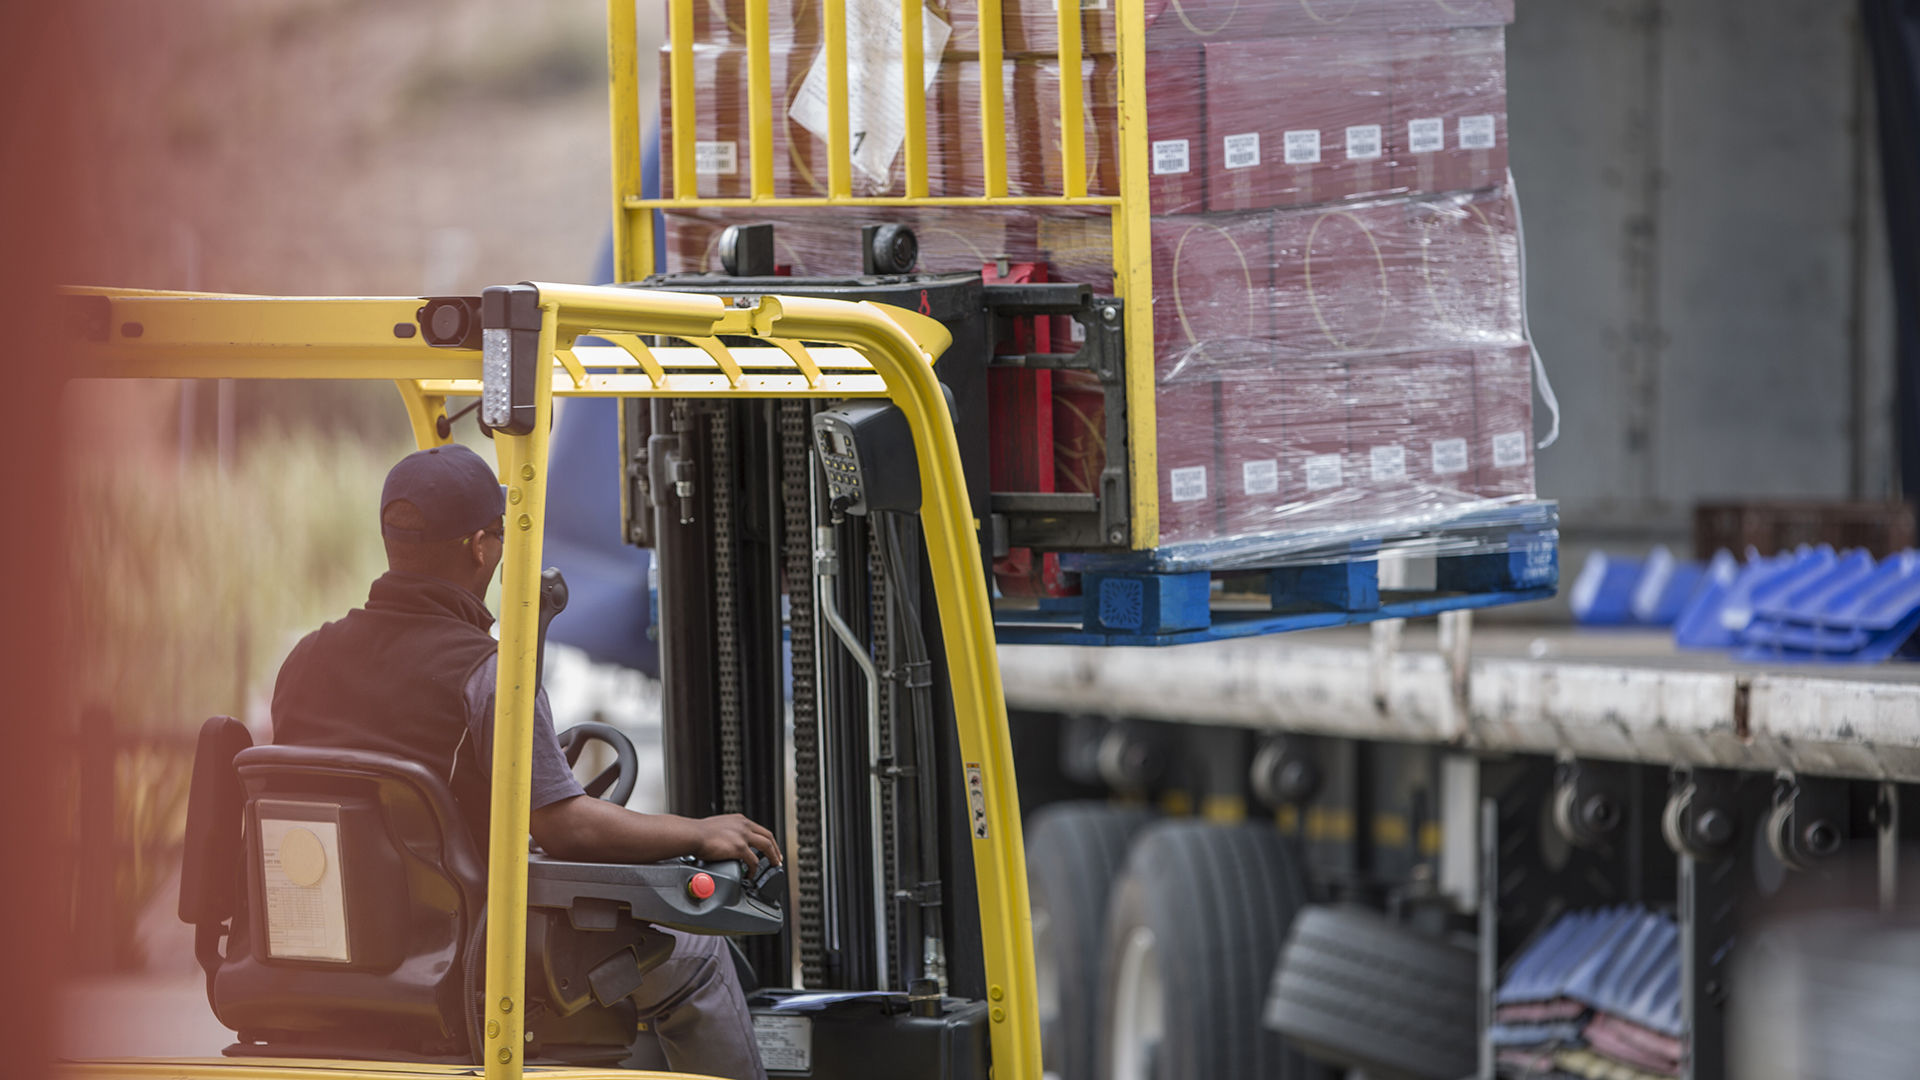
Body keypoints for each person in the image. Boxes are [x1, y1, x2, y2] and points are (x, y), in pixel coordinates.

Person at [270, 442, 776, 1080]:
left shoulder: (305, 660)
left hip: (323, 951)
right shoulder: (489, 676)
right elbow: (567, 826)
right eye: (500, 535)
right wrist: (700, 832)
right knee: (698, 952)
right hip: (461, 957)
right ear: (481, 546)